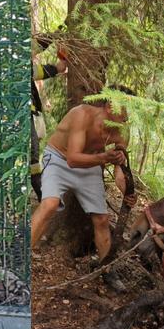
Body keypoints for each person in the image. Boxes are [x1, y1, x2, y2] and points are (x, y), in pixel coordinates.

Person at [30, 85, 137, 292]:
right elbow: (72, 158)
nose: (127, 115)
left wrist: (127, 193)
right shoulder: (82, 115)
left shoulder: (123, 131)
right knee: (50, 204)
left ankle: (107, 270)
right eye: (124, 108)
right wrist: (104, 157)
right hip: (60, 160)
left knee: (102, 219)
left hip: (90, 165)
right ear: (109, 106)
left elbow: (120, 172)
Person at [31, 53, 67, 201]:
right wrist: (57, 68)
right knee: (32, 157)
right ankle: (41, 194)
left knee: (33, 156)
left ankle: (41, 193)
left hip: (31, 115)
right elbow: (36, 71)